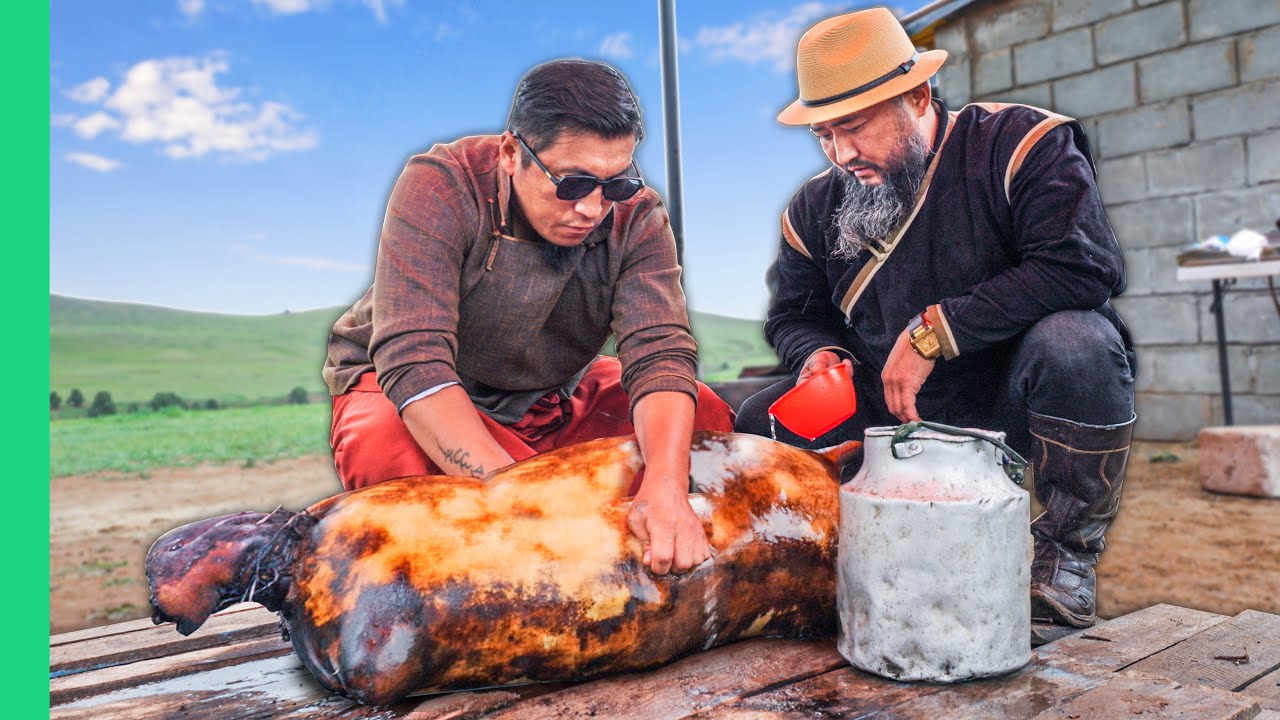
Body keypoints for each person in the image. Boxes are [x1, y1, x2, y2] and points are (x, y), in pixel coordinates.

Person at [735, 8, 1136, 636]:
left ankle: (1064, 562)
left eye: (855, 128)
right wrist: (813, 353)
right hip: (889, 403)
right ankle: (830, 570)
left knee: (1079, 344)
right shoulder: (811, 209)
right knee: (763, 423)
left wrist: (937, 332)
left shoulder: (1021, 145)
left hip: (1012, 392)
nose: (841, 153)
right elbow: (794, 315)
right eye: (824, 135)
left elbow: (1082, 267)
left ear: (916, 94)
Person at [324, 59, 735, 575]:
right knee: (388, 455)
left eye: (613, 184)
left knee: (705, 421)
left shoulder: (639, 215)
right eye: (571, 184)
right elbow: (415, 362)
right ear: (512, 153)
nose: (591, 208)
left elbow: (660, 354)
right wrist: (524, 500)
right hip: (419, 397)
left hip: (552, 397)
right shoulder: (440, 184)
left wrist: (667, 488)